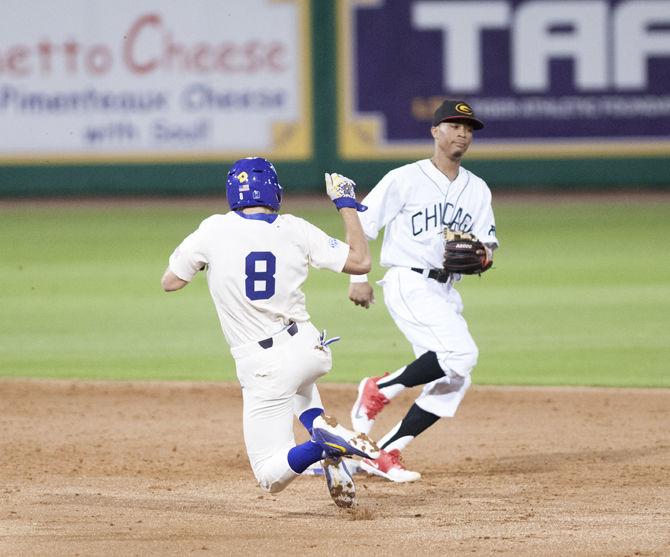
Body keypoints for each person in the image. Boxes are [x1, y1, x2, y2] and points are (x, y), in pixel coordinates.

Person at [161, 157, 379, 508]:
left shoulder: (213, 230)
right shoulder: (296, 228)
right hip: (309, 348)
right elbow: (360, 262)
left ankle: (323, 446)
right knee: (301, 389)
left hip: (264, 363)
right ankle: (329, 448)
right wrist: (346, 205)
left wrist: (205, 261)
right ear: (275, 191)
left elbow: (170, 282)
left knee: (269, 474)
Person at [348, 99, 499, 482]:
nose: (462, 133)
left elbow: (487, 247)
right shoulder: (404, 178)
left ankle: (384, 452)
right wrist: (357, 277)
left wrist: (482, 258)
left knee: (454, 377)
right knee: (461, 352)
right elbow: (364, 226)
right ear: (435, 131)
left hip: (446, 289)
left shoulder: (478, 189)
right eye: (453, 125)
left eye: (468, 128)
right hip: (408, 280)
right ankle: (380, 387)